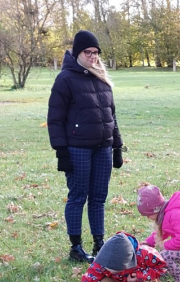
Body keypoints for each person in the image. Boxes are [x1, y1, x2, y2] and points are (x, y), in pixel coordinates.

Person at [48, 30, 124, 263]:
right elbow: (55, 119)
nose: (92, 56)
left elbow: (111, 116)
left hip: (102, 147)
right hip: (77, 149)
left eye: (95, 52)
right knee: (78, 196)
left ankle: (99, 243)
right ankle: (76, 247)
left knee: (99, 197)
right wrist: (61, 151)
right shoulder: (65, 79)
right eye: (87, 52)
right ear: (77, 52)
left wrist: (117, 146)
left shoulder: (102, 79)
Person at [136, 184, 180, 282]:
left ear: (155, 210)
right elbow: (162, 232)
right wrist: (149, 242)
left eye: (148, 214)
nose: (148, 217)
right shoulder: (167, 213)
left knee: (165, 255)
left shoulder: (176, 214)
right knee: (165, 253)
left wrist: (165, 245)